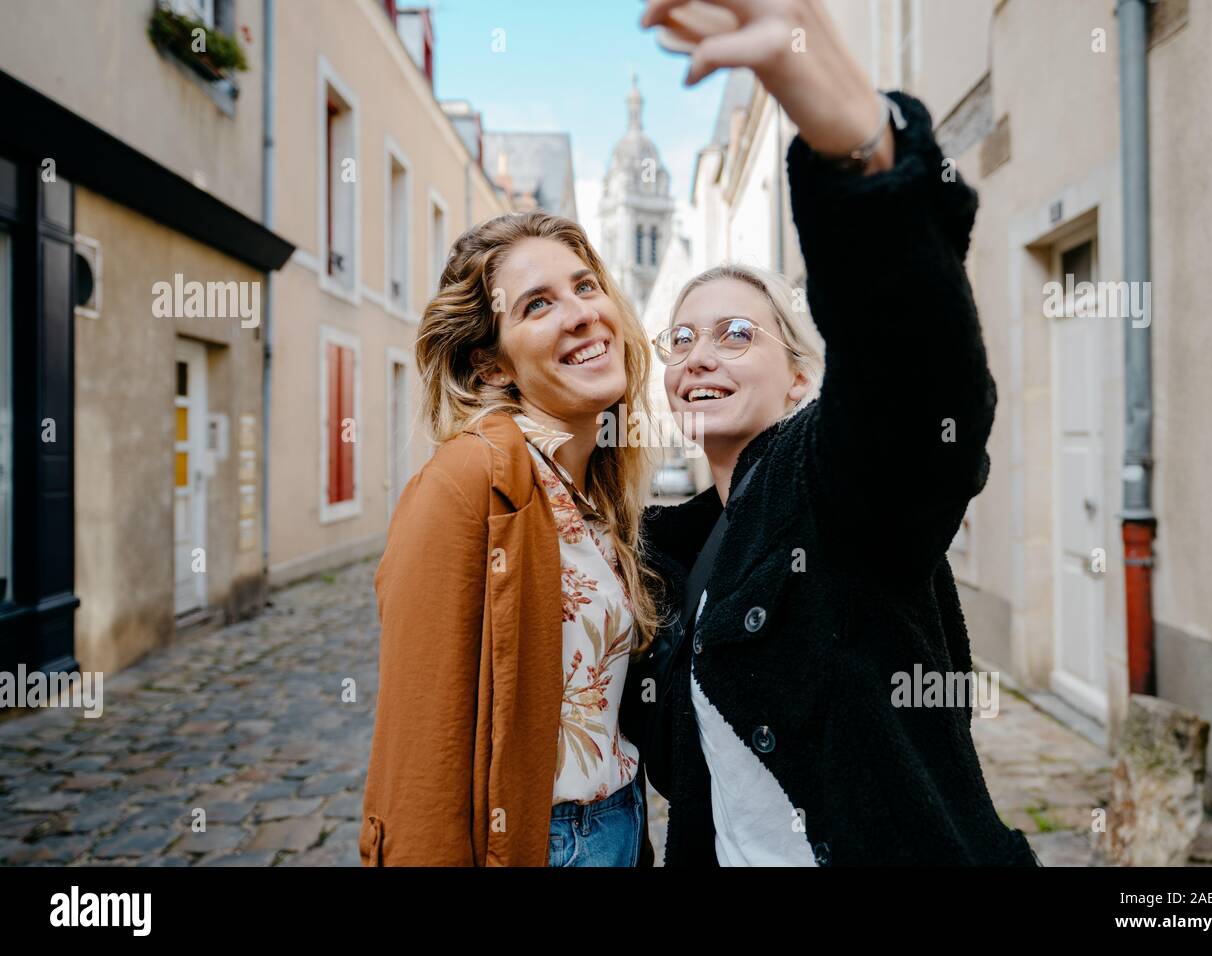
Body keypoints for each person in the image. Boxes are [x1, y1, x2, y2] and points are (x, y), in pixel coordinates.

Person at [629, 0, 1042, 865]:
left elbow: (920, 392)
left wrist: (862, 155)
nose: (702, 354)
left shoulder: (829, 488)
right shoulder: (671, 558)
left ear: (802, 377)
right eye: (683, 337)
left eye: (738, 333)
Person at [359, 211, 659, 866]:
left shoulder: (597, 498)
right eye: (538, 305)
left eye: (585, 286)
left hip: (622, 829)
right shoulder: (465, 483)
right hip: (544, 846)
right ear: (492, 366)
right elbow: (418, 757)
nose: (582, 314)